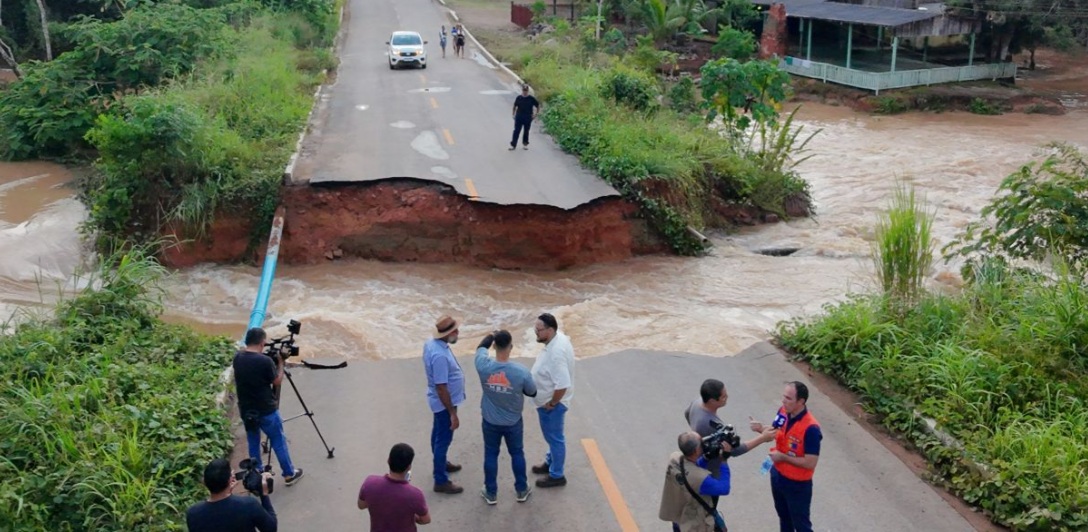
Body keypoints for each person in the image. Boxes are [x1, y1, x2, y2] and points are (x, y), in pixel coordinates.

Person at [233, 327, 303, 486]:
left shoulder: (237, 358)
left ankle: (256, 474)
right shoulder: (264, 361)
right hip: (266, 410)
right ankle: (289, 474)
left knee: (253, 441)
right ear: (262, 342)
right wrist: (281, 362)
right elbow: (277, 381)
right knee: (278, 440)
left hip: (247, 410)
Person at [474, 330, 537, 505]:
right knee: (517, 453)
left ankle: (491, 492)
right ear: (511, 347)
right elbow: (532, 391)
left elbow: (480, 348)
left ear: (494, 346)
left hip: (490, 420)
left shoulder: (483, 366)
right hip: (513, 421)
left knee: (491, 454)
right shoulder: (521, 372)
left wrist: (490, 336)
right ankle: (522, 489)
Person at [750, 381, 822, 532]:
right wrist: (761, 429)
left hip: (797, 485)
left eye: (788, 398)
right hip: (778, 475)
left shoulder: (811, 428)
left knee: (801, 525)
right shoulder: (782, 411)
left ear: (801, 401)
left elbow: (810, 463)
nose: (784, 401)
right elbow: (776, 433)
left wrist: (783, 457)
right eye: (784, 397)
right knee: (784, 517)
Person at [422, 315, 466, 494]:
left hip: (438, 400)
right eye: (455, 331)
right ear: (449, 333)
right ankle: (440, 479)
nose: (458, 333)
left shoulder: (431, 344)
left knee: (437, 433)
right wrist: (452, 414)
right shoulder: (439, 355)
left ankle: (441, 463)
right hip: (444, 402)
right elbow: (441, 387)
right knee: (443, 439)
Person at [529, 312, 573, 488]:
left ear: (550, 330)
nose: (536, 333)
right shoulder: (558, 339)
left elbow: (562, 384)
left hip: (552, 404)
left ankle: (557, 475)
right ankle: (550, 462)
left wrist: (552, 403)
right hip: (548, 401)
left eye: (539, 330)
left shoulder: (556, 354)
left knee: (555, 438)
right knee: (552, 438)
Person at [658, 432, 731, 532]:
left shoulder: (674, 458)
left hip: (678, 518)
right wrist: (724, 460)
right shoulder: (700, 479)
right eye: (702, 442)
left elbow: (689, 469)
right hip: (691, 525)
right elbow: (724, 488)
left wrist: (705, 459)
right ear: (696, 450)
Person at [186, 458, 276, 532]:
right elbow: (271, 529)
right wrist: (264, 493)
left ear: (204, 482)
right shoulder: (248, 505)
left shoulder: (193, 514)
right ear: (230, 480)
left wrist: (229, 492)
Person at [357, 443, 431, 531]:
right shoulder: (415, 494)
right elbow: (426, 519)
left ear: (388, 460)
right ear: (409, 467)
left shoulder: (370, 482)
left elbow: (361, 505)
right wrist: (412, 516)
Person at [509, 84, 540, 151]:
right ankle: (513, 145)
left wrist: (536, 114)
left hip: (528, 117)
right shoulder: (519, 98)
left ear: (528, 91)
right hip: (519, 116)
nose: (525, 92)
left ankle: (525, 144)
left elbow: (537, 105)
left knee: (526, 131)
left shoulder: (531, 99)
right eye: (524, 90)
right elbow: (514, 106)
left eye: (526, 90)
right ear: (522, 90)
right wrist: (513, 114)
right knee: (516, 131)